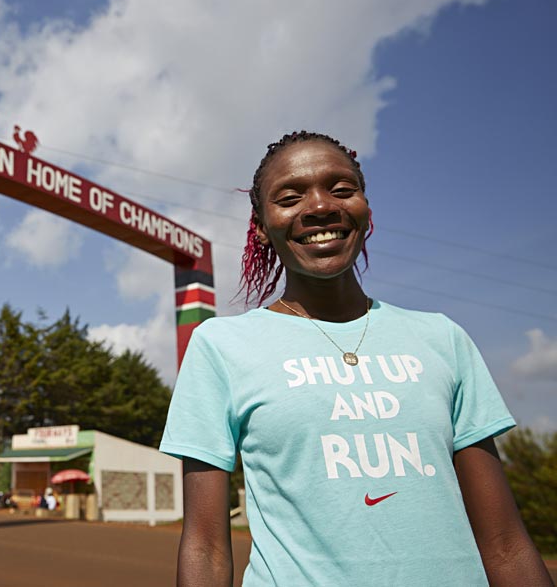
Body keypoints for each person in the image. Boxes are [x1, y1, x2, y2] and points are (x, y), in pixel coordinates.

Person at [159, 132, 552, 586]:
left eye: (342, 189)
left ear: (366, 209)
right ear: (262, 227)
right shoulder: (221, 346)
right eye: (289, 197)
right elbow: (205, 548)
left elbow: (505, 542)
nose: (321, 206)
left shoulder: (443, 337)